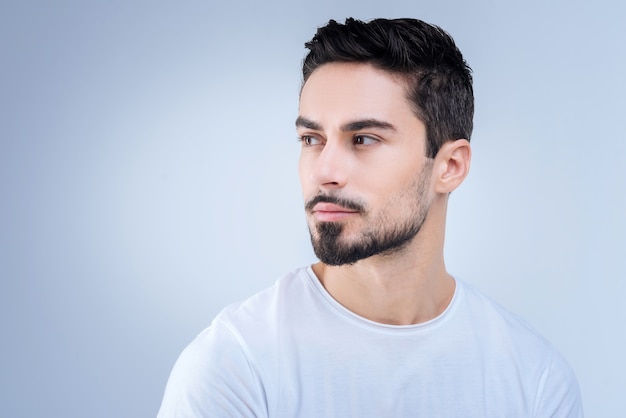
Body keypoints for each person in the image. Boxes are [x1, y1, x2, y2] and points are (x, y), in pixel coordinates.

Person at [157, 18, 583, 417]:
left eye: (363, 139)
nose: (324, 171)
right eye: (311, 138)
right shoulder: (236, 368)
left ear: (450, 166)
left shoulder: (534, 380)